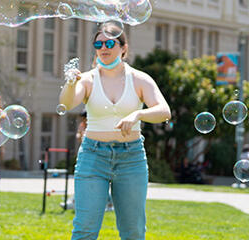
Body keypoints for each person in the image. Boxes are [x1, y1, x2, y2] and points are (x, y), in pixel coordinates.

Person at [59, 22, 171, 240]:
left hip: (131, 158)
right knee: (84, 229)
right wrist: (71, 83)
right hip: (93, 155)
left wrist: (138, 115)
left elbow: (164, 111)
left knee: (133, 232)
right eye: (98, 43)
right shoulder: (88, 79)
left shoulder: (139, 79)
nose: (103, 47)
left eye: (110, 42)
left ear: (123, 47)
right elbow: (67, 103)